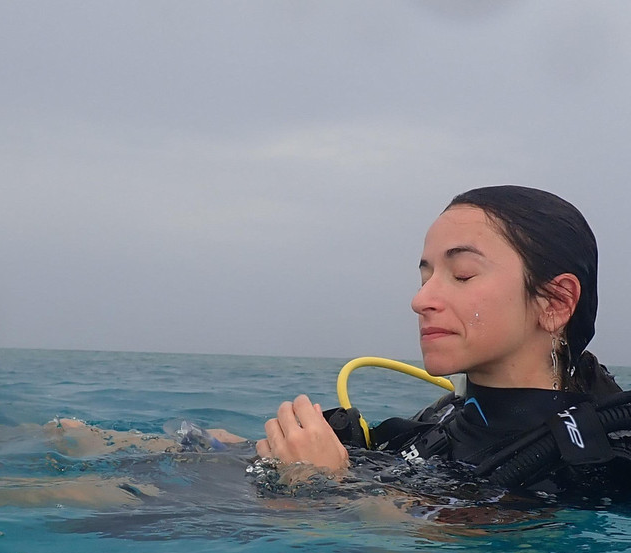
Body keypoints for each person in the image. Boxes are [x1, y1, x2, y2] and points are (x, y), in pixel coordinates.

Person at [255, 185, 629, 496]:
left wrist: (323, 485)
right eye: (425, 278)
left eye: (462, 275)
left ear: (555, 302)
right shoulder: (442, 417)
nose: (420, 301)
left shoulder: (595, 472)